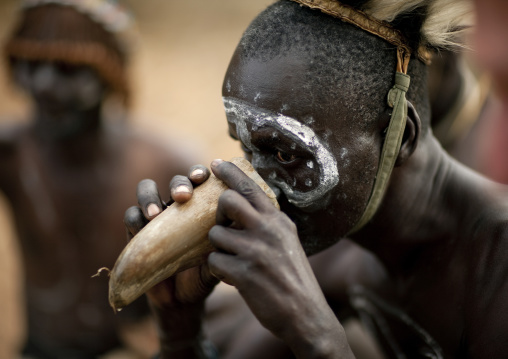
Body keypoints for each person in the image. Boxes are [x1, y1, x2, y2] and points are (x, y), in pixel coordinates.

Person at [126, 0, 508, 358]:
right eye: (245, 148)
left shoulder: (497, 268)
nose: (253, 184)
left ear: (401, 135)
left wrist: (320, 339)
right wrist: (180, 328)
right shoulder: (342, 248)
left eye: (286, 154)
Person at [0, 1, 196, 357]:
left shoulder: (163, 161)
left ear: (111, 74)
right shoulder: (11, 155)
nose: (43, 84)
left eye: (68, 68)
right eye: (30, 64)